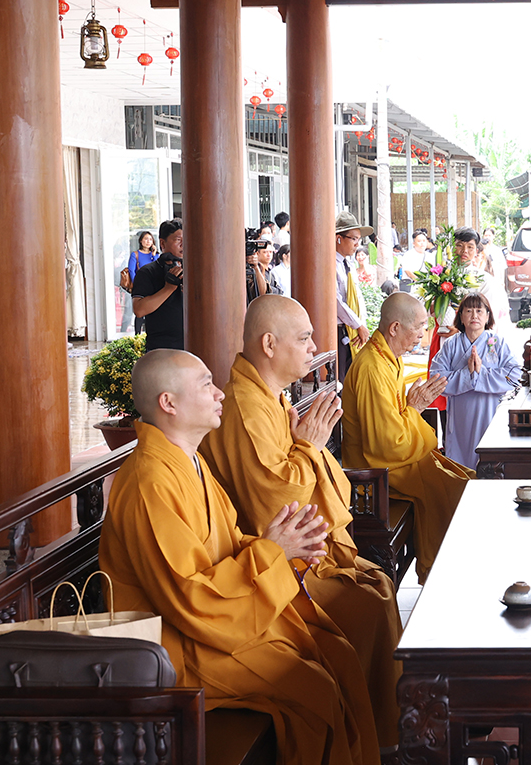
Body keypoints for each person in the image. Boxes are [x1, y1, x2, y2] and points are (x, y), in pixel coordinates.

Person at [99, 349, 380, 765]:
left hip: (221, 622)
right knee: (316, 690)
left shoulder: (190, 461)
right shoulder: (149, 483)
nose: (219, 394)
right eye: (206, 385)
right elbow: (192, 598)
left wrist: (284, 548)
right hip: (182, 646)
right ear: (168, 403)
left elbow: (229, 541)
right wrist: (273, 551)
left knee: (336, 651)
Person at [199, 295, 402, 749]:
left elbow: (300, 476)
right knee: (367, 605)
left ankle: (384, 731)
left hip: (292, 551)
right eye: (305, 338)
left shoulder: (269, 396)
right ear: (269, 344)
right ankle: (375, 736)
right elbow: (276, 503)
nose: (314, 347)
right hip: (271, 564)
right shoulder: (246, 407)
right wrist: (309, 446)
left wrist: (306, 446)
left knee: (376, 584)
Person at [341, 292, 472, 583]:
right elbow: (387, 445)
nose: (423, 334)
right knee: (456, 491)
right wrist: (414, 410)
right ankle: (440, 573)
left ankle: (448, 567)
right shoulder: (373, 368)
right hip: (375, 470)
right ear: (395, 328)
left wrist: (412, 409)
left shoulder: (388, 358)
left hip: (394, 458)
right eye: (420, 327)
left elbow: (396, 422)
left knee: (467, 478)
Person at [428, 293, 521, 468]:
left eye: (479, 311)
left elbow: (515, 375)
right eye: (469, 311)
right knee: (461, 464)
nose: (474, 316)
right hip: (460, 417)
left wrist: (480, 374)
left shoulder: (497, 343)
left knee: (490, 462)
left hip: (489, 413)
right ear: (461, 317)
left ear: (487, 316)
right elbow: (436, 377)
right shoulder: (451, 345)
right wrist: (467, 374)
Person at [132, 218, 185, 351]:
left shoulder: (195, 270)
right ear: (162, 243)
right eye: (178, 240)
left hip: (194, 347)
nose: (183, 244)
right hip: (162, 349)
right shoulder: (148, 272)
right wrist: (169, 288)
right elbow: (139, 310)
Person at [335, 212, 371, 381]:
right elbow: (336, 301)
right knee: (341, 379)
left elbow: (356, 296)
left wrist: (362, 323)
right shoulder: (331, 264)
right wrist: (358, 324)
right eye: (354, 239)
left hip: (354, 329)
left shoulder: (349, 262)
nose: (357, 244)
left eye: (359, 240)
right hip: (340, 329)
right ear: (339, 239)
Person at [127, 230, 159, 334]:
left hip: (153, 286)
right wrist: (137, 284)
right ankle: (137, 335)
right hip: (140, 286)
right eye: (146, 239)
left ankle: (151, 333)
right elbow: (131, 270)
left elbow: (158, 267)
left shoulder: (155, 255)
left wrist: (154, 254)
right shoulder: (135, 254)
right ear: (141, 241)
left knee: (152, 310)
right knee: (140, 312)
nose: (148, 241)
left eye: (150, 239)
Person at [246, 227, 281, 304]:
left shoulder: (267, 272)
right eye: (265, 252)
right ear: (257, 253)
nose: (269, 255)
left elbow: (278, 291)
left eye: (270, 252)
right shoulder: (254, 268)